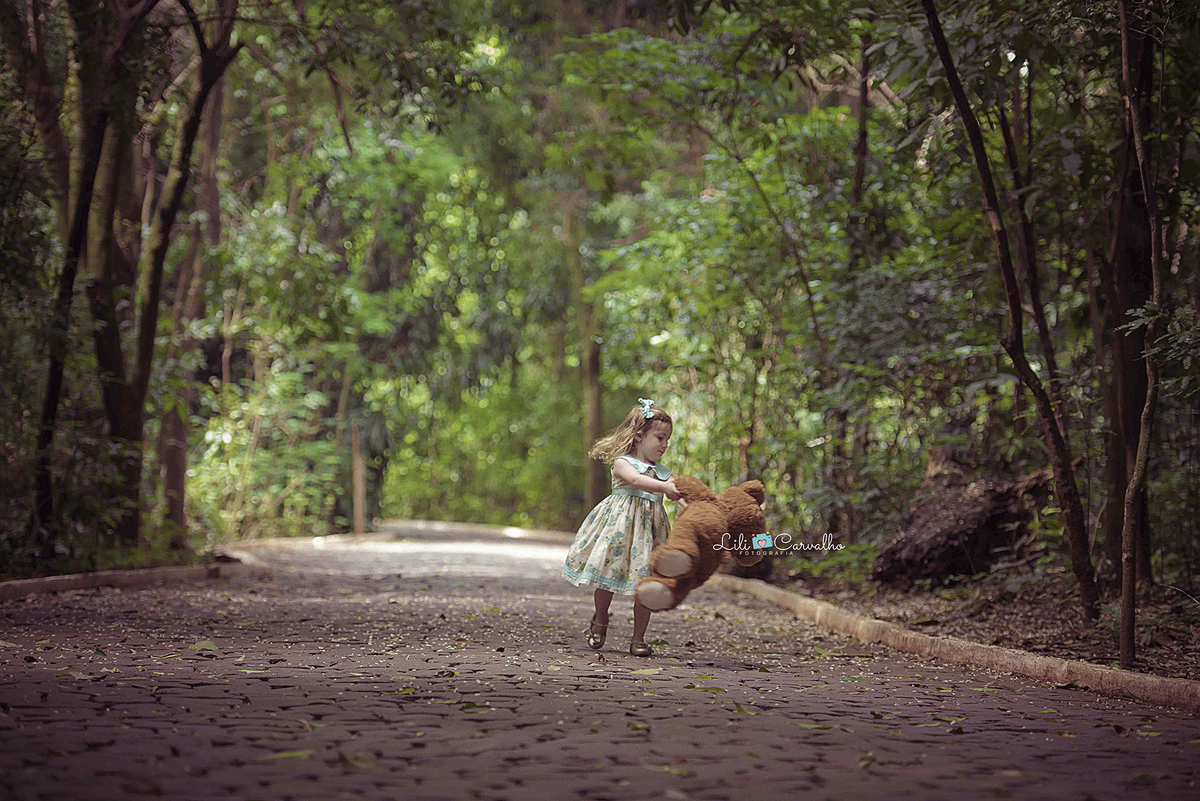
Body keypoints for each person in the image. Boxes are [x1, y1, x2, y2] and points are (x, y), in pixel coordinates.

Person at [562, 398, 683, 656]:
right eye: (660, 438)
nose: (665, 445)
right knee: (607, 576)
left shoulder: (664, 472)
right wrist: (665, 488)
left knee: (646, 584)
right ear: (639, 435)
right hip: (619, 531)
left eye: (667, 440)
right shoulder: (623, 463)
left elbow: (680, 492)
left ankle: (639, 638)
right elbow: (635, 480)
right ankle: (600, 619)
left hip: (650, 534)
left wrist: (690, 502)